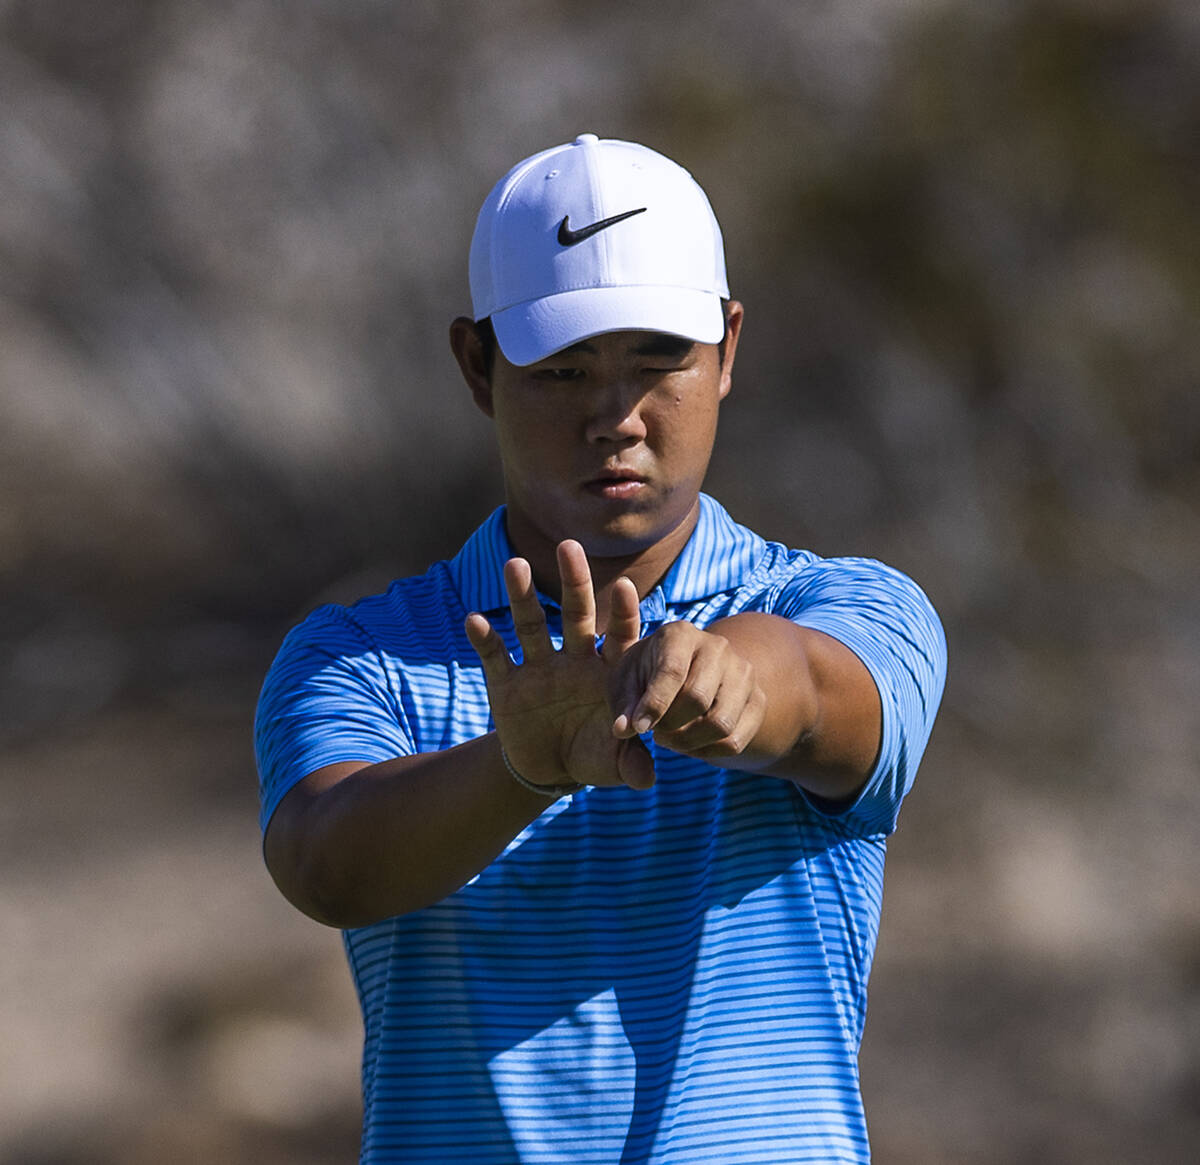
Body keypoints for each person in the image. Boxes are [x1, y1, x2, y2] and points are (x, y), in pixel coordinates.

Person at [255, 133, 947, 1164]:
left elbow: (814, 690)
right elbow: (328, 864)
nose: (615, 417)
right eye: (565, 369)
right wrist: (518, 766)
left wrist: (735, 687)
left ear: (729, 347)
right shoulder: (355, 655)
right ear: (476, 365)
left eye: (658, 361)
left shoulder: (849, 603)